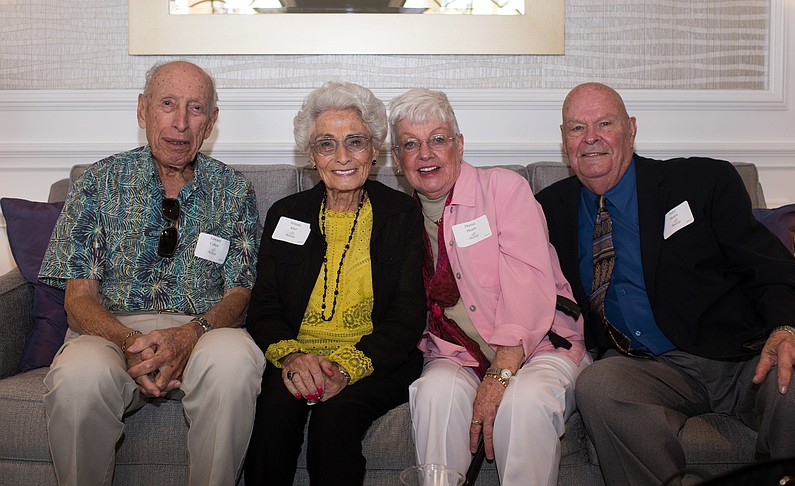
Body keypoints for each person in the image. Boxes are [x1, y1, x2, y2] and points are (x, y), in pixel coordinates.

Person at [536, 82, 795, 486]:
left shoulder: (701, 182)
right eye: (577, 128)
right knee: (599, 385)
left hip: (743, 355)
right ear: (564, 140)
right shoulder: (549, 209)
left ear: (631, 130)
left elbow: (770, 265)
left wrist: (788, 331)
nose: (591, 137)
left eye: (605, 123)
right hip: (649, 367)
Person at [38, 61, 265, 486]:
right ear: (143, 111)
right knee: (78, 375)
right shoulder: (98, 182)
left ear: (212, 121)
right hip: (111, 331)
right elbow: (79, 298)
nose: (180, 123)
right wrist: (129, 342)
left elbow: (240, 292)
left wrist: (188, 335)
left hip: (203, 332)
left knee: (236, 360)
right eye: (167, 104)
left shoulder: (233, 190)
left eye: (196, 108)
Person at [388, 88, 589, 486]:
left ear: (459, 146)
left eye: (438, 139)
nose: (425, 153)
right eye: (411, 144)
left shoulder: (503, 190)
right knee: (434, 395)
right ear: (397, 160)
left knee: (524, 403)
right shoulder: (399, 218)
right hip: (456, 353)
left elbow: (530, 285)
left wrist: (499, 376)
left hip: (538, 347)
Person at [244, 81, 426, 486]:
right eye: (327, 144)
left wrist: (346, 367)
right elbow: (264, 307)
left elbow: (408, 314)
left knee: (336, 417)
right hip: (298, 355)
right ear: (311, 156)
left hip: (375, 359)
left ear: (374, 149)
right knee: (273, 413)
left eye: (355, 142)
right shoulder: (286, 213)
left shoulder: (400, 214)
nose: (342, 157)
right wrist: (293, 358)